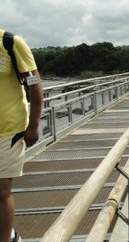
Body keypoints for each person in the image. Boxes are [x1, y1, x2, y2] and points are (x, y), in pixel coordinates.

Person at [0, 29, 43, 242]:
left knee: (1, 189)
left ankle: (6, 238)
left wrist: (33, 125)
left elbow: (35, 85)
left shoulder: (10, 43)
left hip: (9, 130)